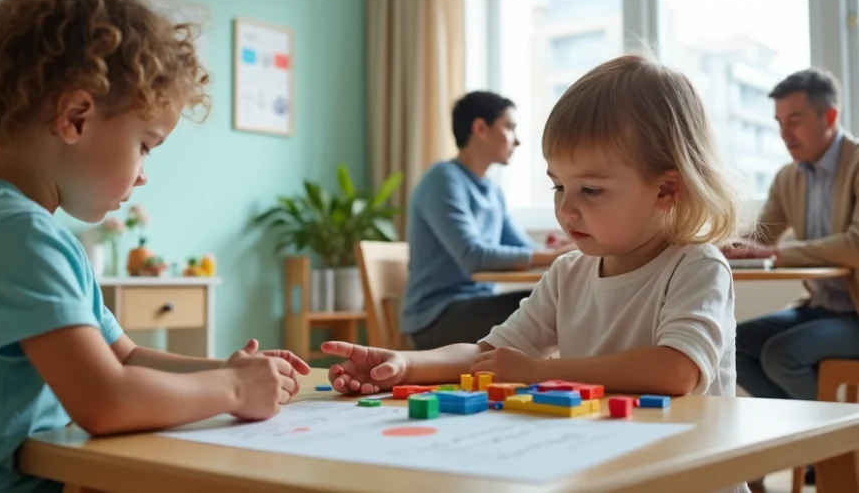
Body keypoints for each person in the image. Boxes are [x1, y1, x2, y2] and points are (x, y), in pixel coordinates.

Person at [0, 0, 310, 493]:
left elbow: (124, 356)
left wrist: (224, 370)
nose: (144, 175)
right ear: (75, 118)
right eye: (145, 147)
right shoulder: (12, 236)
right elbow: (105, 401)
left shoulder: (1, 222)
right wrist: (231, 389)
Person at [324, 54, 746, 493]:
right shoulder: (569, 273)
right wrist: (406, 363)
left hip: (692, 479)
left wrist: (539, 372)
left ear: (665, 190)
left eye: (591, 190)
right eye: (558, 186)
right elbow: (489, 355)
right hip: (610, 472)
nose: (565, 209)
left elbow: (676, 370)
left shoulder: (695, 265)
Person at [724, 68, 859, 490]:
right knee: (733, 342)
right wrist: (723, 244)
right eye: (779, 122)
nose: (785, 133)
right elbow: (762, 238)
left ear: (830, 116)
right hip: (820, 309)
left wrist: (778, 253)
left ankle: (829, 445)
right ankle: (803, 442)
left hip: (855, 313)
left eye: (795, 120)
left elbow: (855, 244)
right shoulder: (789, 176)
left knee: (784, 353)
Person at [400, 90, 574, 350]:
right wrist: (549, 256)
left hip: (473, 306)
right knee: (553, 307)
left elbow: (523, 247)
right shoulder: (443, 179)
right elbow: (473, 255)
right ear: (481, 128)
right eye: (510, 127)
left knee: (555, 303)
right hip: (436, 316)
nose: (517, 141)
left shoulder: (493, 192)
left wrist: (552, 248)